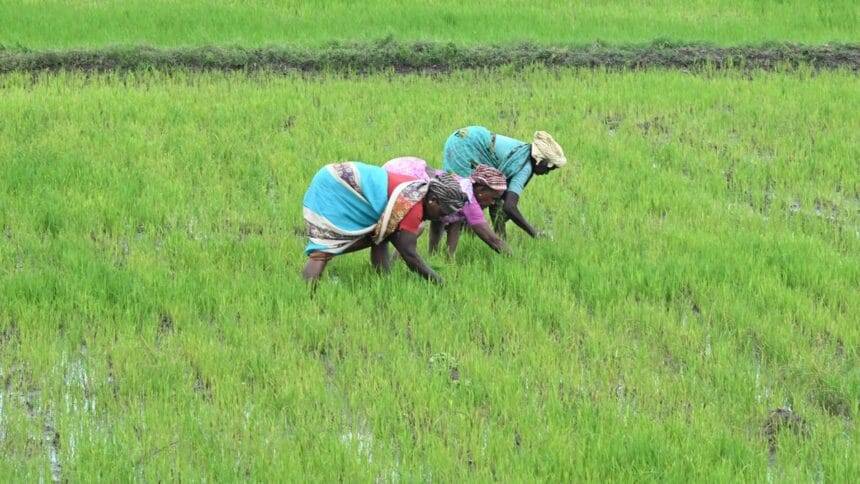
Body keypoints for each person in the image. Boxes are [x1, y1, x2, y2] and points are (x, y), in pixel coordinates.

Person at [301, 161, 467, 284]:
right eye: (442, 212)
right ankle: (307, 296)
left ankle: (382, 279)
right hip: (338, 185)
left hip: (339, 177)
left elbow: (384, 235)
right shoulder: (412, 207)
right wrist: (440, 283)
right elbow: (410, 256)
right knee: (323, 249)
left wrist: (386, 283)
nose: (441, 218)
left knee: (380, 236)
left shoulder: (418, 190)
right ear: (433, 201)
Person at [442, 126, 567, 238]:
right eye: (549, 168)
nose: (547, 172)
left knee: (477, 198)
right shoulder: (524, 167)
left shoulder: (521, 151)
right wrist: (534, 233)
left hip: (462, 138)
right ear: (539, 160)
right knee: (464, 199)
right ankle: (450, 239)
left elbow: (498, 202)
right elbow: (509, 207)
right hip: (466, 146)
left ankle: (480, 236)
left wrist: (502, 238)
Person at [383, 157, 509, 256]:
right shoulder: (470, 201)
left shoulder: (461, 189)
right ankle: (396, 260)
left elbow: (444, 221)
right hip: (403, 177)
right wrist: (514, 257)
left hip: (400, 170)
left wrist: (449, 258)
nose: (493, 203)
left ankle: (432, 255)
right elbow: (492, 240)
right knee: (416, 227)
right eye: (493, 198)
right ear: (481, 190)